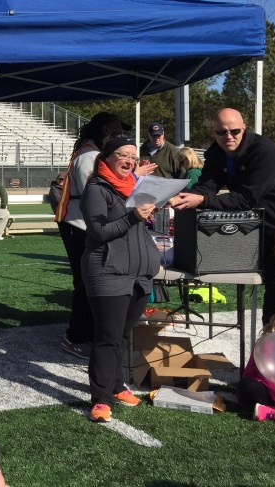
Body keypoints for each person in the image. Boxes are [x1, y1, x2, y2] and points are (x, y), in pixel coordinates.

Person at [172, 108, 275, 322]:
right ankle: (273, 338)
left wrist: (203, 200)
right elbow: (206, 186)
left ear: (244, 128)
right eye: (221, 132)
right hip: (274, 227)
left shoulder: (265, 151)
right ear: (214, 132)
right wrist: (183, 197)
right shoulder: (216, 154)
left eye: (234, 131)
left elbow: (246, 198)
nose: (228, 137)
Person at [80, 135, 159, 422]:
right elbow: (99, 231)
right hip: (108, 272)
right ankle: (101, 398)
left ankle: (116, 385)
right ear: (108, 157)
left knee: (124, 335)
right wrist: (133, 216)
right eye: (123, 155)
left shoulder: (135, 187)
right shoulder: (96, 189)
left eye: (133, 157)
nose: (129, 161)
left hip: (139, 274)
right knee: (107, 337)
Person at [54, 111, 130, 360]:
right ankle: (76, 337)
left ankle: (84, 333)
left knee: (87, 282)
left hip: (81, 224)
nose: (121, 136)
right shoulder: (89, 156)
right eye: (117, 131)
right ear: (106, 131)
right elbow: (96, 193)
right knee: (86, 283)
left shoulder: (89, 153)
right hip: (80, 227)